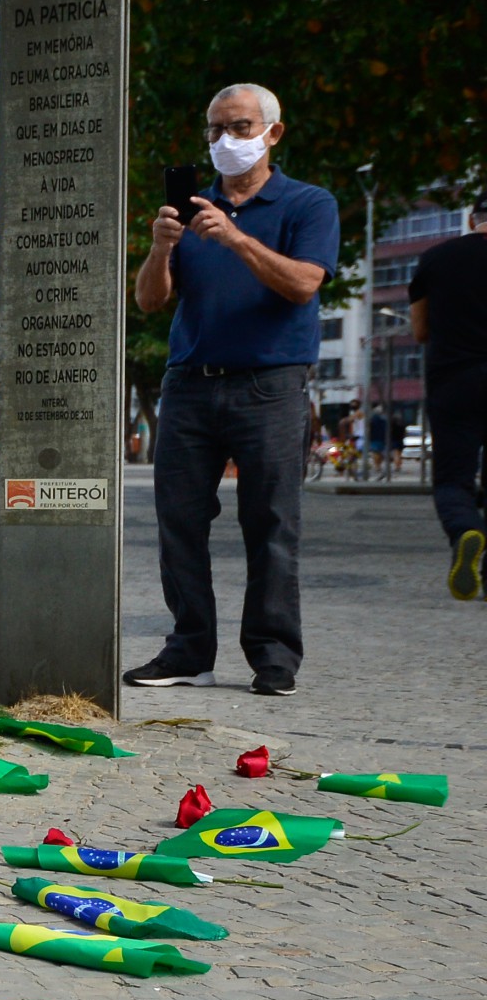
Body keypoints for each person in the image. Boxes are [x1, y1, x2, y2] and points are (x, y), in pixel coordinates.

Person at [125, 84, 339, 697]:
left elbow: (303, 285)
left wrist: (238, 239)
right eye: (215, 130)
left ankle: (273, 656)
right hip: (190, 382)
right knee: (179, 522)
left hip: (271, 384)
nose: (225, 141)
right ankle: (189, 649)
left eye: (240, 128)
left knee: (270, 521)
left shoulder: (307, 203)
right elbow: (149, 300)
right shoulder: (193, 209)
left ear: (272, 133)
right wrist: (163, 246)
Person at [409, 192, 487, 599]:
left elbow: (420, 332)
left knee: (452, 480)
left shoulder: (435, 258)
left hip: (454, 379)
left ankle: (465, 529)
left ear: (474, 218)